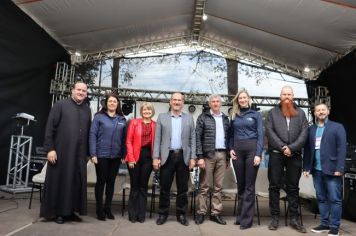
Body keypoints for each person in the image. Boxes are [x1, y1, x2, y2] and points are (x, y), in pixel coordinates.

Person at [40, 81, 91, 224]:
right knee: (60, 182)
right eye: (78, 90)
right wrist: (50, 149)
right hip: (61, 152)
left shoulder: (87, 109)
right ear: (72, 90)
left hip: (79, 155)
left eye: (84, 91)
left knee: (75, 182)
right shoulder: (60, 105)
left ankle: (71, 211)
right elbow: (50, 128)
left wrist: (88, 153)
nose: (81, 92)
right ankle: (58, 213)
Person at [265, 85, 308, 233]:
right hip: (277, 154)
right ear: (280, 96)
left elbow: (304, 133)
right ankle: (275, 218)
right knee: (274, 186)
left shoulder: (301, 113)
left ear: (293, 96)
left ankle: (294, 219)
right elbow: (269, 132)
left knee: (293, 188)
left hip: (294, 155)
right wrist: (283, 147)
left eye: (289, 94)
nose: (287, 97)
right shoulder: (272, 113)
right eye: (284, 94)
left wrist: (292, 148)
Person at [153, 92, 196, 226]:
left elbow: (192, 139)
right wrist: (156, 157)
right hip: (167, 156)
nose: (177, 102)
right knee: (164, 187)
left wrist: (193, 157)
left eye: (179, 100)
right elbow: (157, 139)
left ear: (183, 102)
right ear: (170, 102)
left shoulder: (189, 118)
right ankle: (162, 214)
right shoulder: (161, 117)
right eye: (174, 100)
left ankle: (181, 215)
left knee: (183, 188)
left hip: (184, 156)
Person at [303, 103, 346, 236]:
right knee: (321, 198)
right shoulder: (311, 129)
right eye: (318, 110)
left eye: (323, 110)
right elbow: (308, 150)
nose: (321, 112)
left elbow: (342, 149)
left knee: (334, 199)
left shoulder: (337, 127)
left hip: (333, 169)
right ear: (315, 113)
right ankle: (325, 223)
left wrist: (340, 167)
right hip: (316, 170)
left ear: (328, 112)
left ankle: (334, 227)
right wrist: (306, 167)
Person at [229, 88, 264, 229]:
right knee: (241, 185)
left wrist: (258, 154)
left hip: (251, 151)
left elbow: (261, 135)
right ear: (237, 100)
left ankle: (246, 221)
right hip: (237, 152)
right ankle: (240, 216)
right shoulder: (234, 115)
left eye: (244, 97)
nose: (242, 100)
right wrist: (230, 149)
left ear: (249, 99)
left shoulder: (256, 115)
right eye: (240, 98)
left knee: (249, 186)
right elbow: (230, 135)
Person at [89, 93, 126, 221]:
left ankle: (108, 209)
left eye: (114, 101)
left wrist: (123, 154)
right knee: (101, 182)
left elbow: (124, 138)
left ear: (117, 104)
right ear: (106, 103)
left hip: (115, 156)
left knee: (111, 183)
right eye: (110, 101)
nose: (112, 103)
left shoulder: (122, 119)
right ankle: (99, 210)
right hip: (101, 155)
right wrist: (93, 154)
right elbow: (92, 135)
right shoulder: (98, 117)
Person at [194, 94, 230, 225]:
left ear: (221, 104)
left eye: (217, 101)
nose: (215, 103)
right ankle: (201, 212)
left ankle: (216, 213)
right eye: (213, 101)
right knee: (204, 186)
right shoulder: (203, 117)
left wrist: (228, 158)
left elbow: (229, 138)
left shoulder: (226, 119)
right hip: (207, 156)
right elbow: (197, 137)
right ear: (209, 104)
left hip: (222, 155)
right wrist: (200, 157)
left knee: (218, 187)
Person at [125, 102, 156, 223]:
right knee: (135, 186)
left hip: (148, 157)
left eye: (149, 110)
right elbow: (128, 141)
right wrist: (131, 158)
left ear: (152, 112)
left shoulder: (155, 125)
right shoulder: (134, 122)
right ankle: (132, 214)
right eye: (144, 110)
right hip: (135, 156)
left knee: (143, 187)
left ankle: (141, 214)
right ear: (141, 111)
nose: (146, 112)